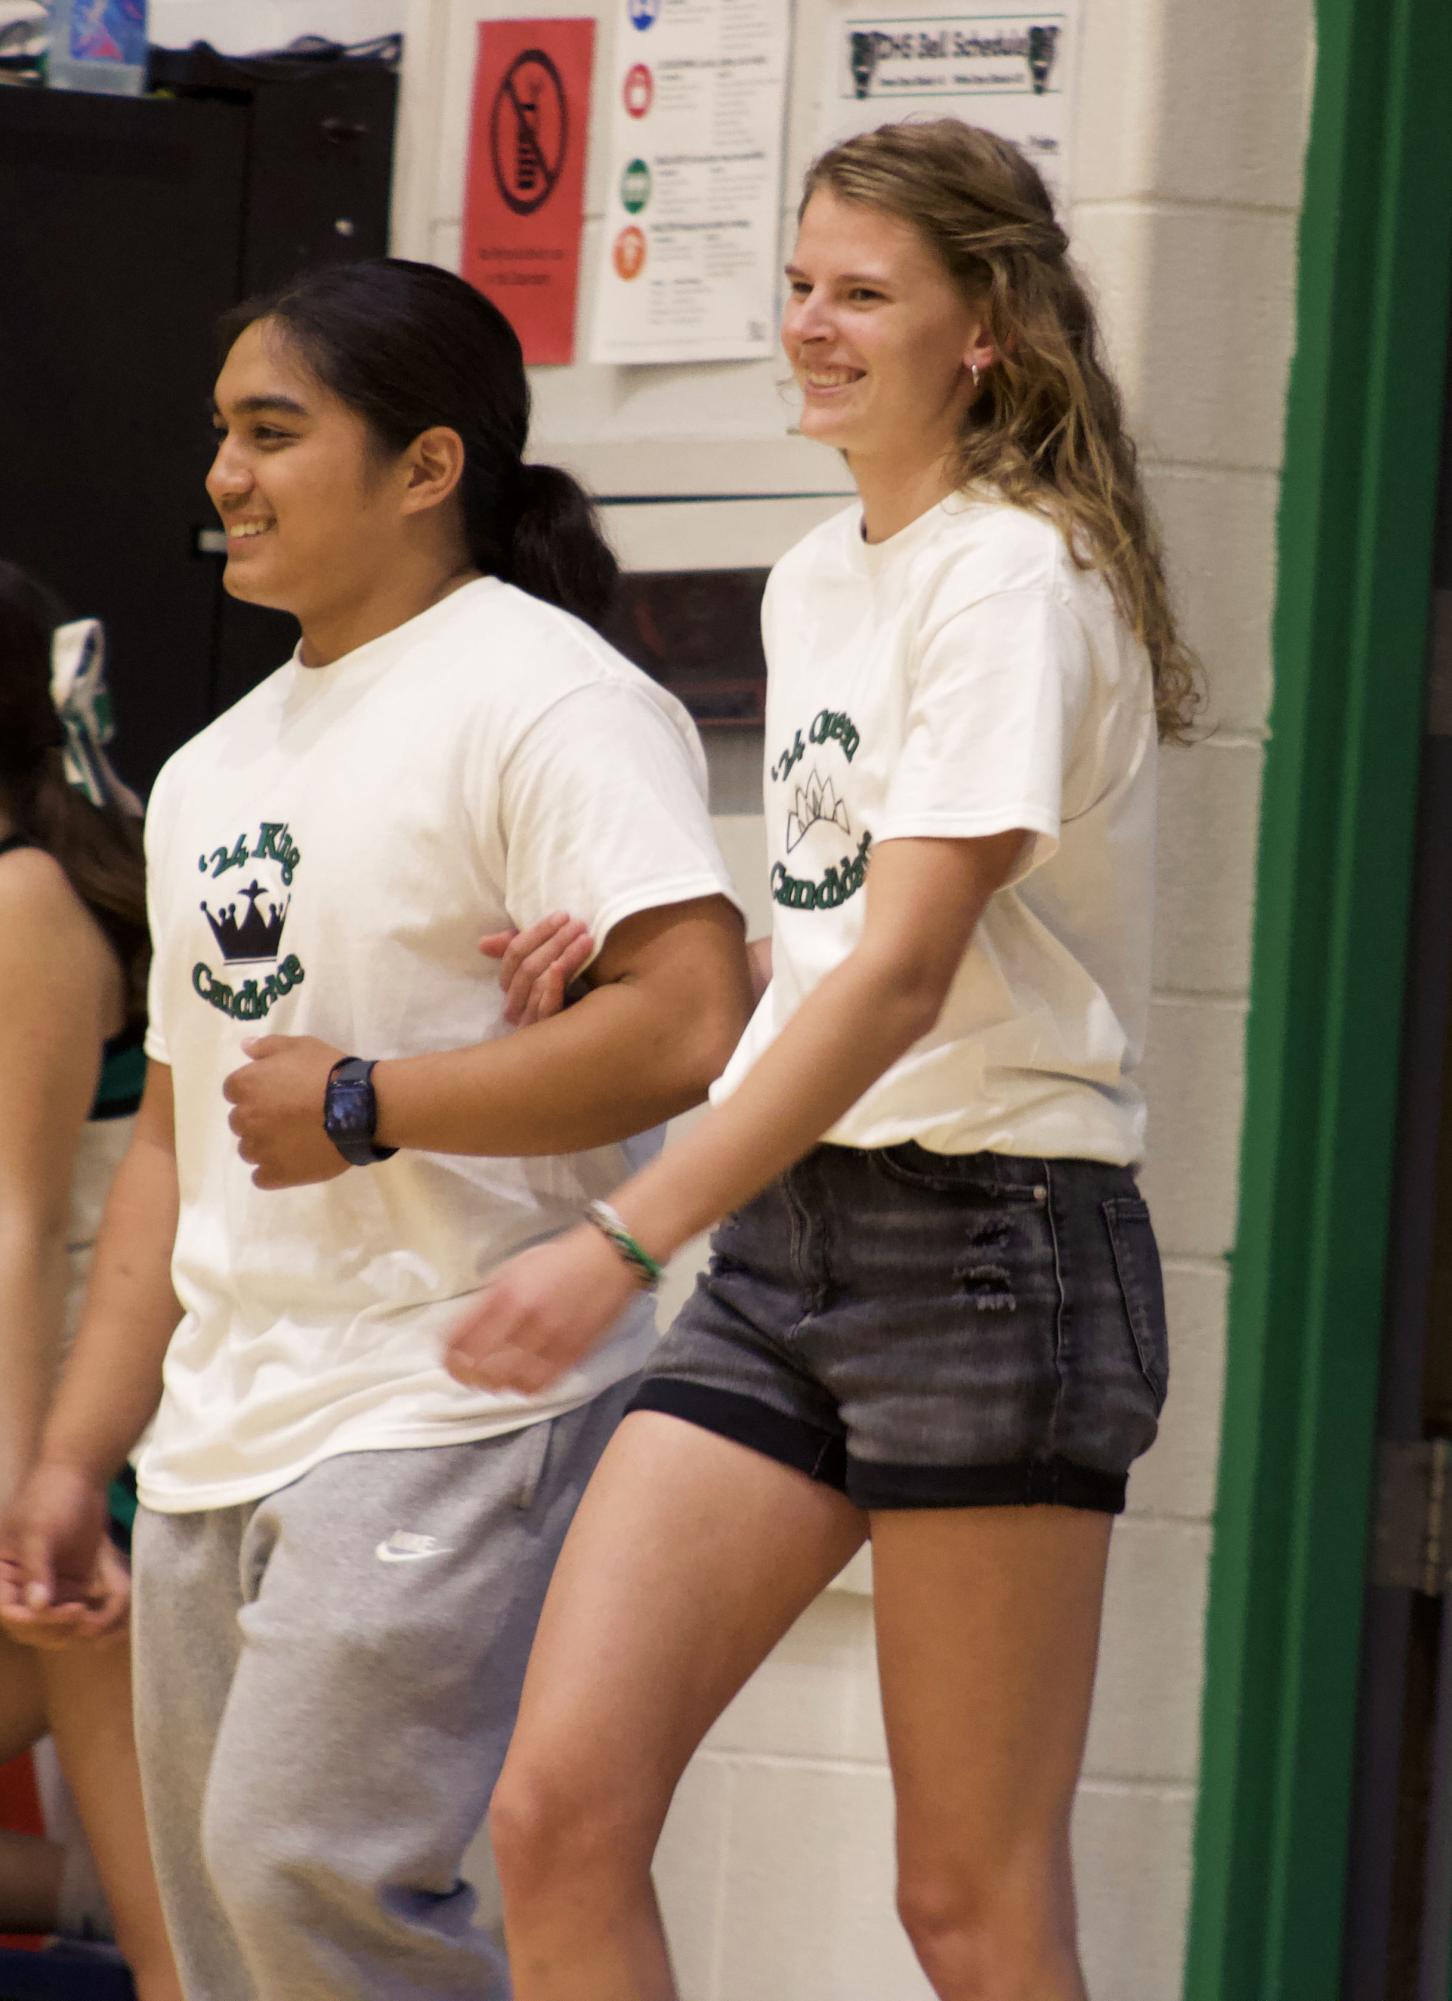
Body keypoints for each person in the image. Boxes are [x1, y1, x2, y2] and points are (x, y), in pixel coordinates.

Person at [444, 120, 1199, 2001]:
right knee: (556, 1815)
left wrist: (624, 1233)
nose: (811, 325)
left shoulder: (1015, 578)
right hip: (794, 1249)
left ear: (987, 332)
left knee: (967, 1902)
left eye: (864, 294)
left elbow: (910, 979)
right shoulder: (818, 576)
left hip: (991, 1250)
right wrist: (637, 975)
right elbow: (838, 944)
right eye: (800, 284)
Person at [0, 258, 749, 2001]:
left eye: (274, 432)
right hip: (214, 1428)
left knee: (301, 1869)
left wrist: (370, 1101)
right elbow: (179, 1161)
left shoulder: (546, 694)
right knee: (210, 1930)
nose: (223, 474)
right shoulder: (208, 773)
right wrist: (67, 1453)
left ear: (425, 467)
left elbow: (692, 1013)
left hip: (451, 1390)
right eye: (220, 435)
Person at [0, 565, 181, 2000]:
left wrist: (25, 1490)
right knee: (160, 1902)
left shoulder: (28, 897)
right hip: (61, 1447)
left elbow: (14, 1220)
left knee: (176, 1923)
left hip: (86, 1459)